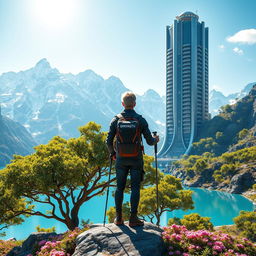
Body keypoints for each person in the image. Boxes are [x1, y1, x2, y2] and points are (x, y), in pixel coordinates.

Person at [106, 91, 159, 227]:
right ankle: (133, 218)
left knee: (120, 188)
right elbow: (149, 142)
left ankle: (118, 218)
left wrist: (113, 153)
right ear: (134, 104)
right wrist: (155, 139)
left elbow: (108, 141)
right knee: (135, 188)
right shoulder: (140, 120)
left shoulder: (116, 120)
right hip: (136, 159)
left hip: (121, 159)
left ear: (123, 104)